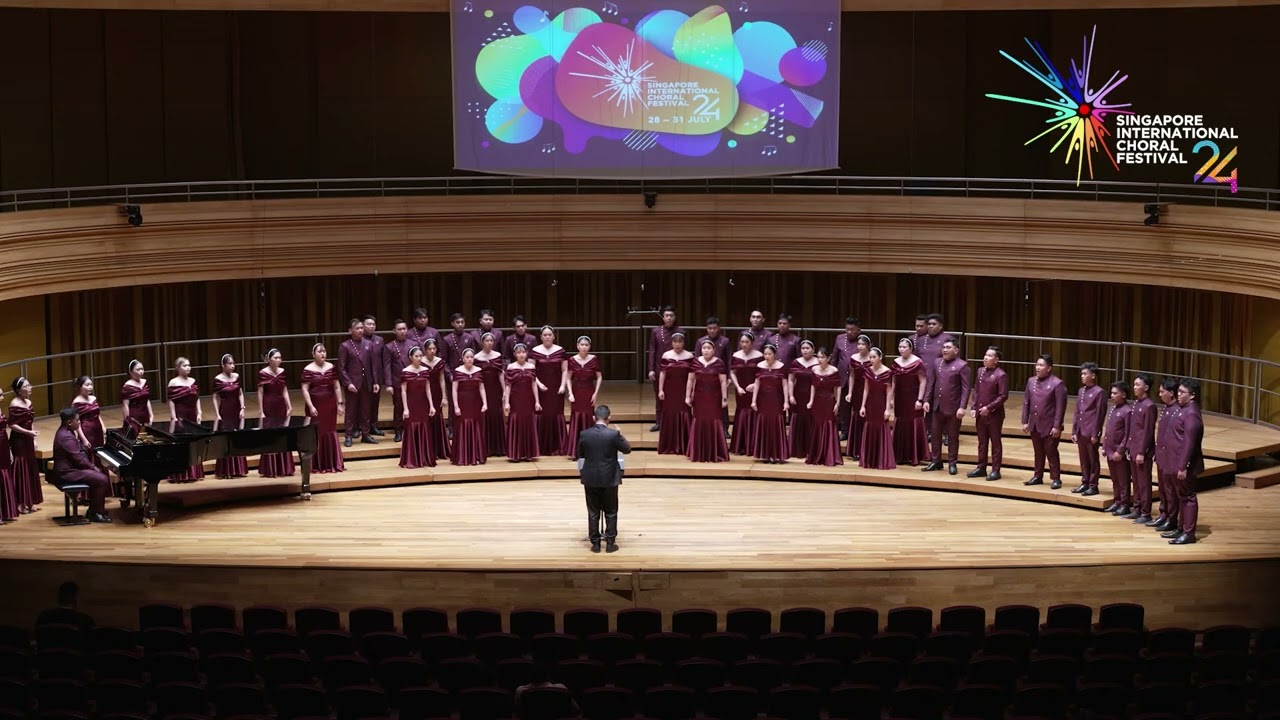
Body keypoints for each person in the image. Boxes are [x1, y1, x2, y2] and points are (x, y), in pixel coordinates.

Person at [577, 405, 632, 553]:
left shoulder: (584, 434)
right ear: (609, 418)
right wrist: (620, 435)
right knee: (611, 510)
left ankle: (595, 544)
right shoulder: (613, 434)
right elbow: (627, 449)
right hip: (609, 478)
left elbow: (580, 454)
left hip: (590, 478)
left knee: (593, 511)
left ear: (594, 418)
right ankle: (610, 543)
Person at [51, 407, 112, 523]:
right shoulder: (66, 437)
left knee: (98, 477)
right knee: (102, 479)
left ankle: (94, 510)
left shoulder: (66, 432)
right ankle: (96, 512)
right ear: (69, 422)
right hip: (66, 473)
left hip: (70, 470)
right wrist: (93, 467)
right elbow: (79, 460)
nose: (79, 422)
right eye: (77, 420)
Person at [1164, 378, 1204, 545]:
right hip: (1176, 463)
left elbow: (1190, 443)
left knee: (1187, 497)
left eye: (1182, 392)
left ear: (1192, 395)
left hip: (1185, 465)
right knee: (1181, 496)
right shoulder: (1183, 409)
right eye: (1178, 391)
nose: (1177, 395)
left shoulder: (1192, 413)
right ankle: (1181, 528)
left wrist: (1183, 466)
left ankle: (1188, 533)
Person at [922, 339, 970, 475]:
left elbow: (966, 389)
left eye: (948, 347)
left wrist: (962, 407)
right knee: (935, 436)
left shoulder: (962, 366)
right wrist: (926, 400)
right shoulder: (937, 362)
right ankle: (936, 461)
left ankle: (952, 463)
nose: (945, 350)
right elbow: (931, 382)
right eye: (943, 347)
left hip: (954, 408)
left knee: (952, 437)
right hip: (937, 406)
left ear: (956, 350)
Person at [1021, 354, 1068, 489]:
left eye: (1041, 365)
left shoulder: (1057, 383)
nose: (1038, 367)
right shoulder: (1031, 381)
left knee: (1051, 451)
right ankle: (1037, 476)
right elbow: (1026, 402)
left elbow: (1060, 407)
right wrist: (1025, 421)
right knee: (1038, 451)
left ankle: (1056, 478)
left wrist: (1057, 426)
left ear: (1049, 368)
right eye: (1037, 365)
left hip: (1050, 425)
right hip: (1035, 422)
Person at [302, 343, 346, 474]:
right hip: (315, 404)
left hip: (330, 404)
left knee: (330, 430)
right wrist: (310, 406)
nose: (322, 354)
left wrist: (339, 403)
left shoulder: (331, 367)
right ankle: (317, 464)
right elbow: (305, 389)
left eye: (324, 351)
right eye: (319, 351)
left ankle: (332, 462)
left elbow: (337, 386)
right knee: (317, 432)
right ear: (313, 354)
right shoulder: (308, 369)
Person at [966, 347, 1008, 481]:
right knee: (982, 442)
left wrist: (989, 408)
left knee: (995, 442)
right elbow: (976, 391)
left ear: (996, 360)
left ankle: (996, 470)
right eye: (985, 355)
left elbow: (1003, 396)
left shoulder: (1001, 375)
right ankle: (981, 467)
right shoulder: (980, 371)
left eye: (989, 356)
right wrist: (973, 406)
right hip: (980, 413)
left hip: (994, 415)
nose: (985, 358)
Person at [686, 339, 729, 463]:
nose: (706, 350)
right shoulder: (695, 362)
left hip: (714, 397)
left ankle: (715, 452)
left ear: (714, 350)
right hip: (699, 398)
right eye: (704, 348)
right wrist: (688, 396)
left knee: (714, 421)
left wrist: (724, 398)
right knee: (699, 421)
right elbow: (690, 380)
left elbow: (723, 381)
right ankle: (698, 452)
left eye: (709, 348)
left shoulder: (719, 363)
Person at [1122, 374, 1157, 521]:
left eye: (1138, 385)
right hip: (1133, 448)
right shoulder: (1136, 404)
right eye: (1134, 384)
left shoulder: (1149, 406)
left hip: (1142, 451)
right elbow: (1132, 429)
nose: (1134, 387)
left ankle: (1145, 512)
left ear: (1146, 387)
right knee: (1135, 482)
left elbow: (1148, 432)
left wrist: (1142, 452)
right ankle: (1136, 508)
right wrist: (1129, 447)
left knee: (1143, 483)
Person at [339, 319, 379, 448]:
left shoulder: (369, 344)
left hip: (366, 382)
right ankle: (349, 435)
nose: (361, 330)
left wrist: (375, 381)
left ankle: (366, 434)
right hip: (353, 384)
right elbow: (341, 367)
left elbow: (373, 365)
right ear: (350, 330)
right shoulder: (345, 346)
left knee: (366, 410)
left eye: (362, 328)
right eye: (357, 328)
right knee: (351, 411)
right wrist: (348, 383)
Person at [1150, 378, 1182, 529]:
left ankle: (1172, 518)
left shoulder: (1177, 410)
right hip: (1161, 455)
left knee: (1170, 490)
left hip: (1171, 458)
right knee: (1162, 488)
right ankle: (1163, 514)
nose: (1160, 394)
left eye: (1163, 391)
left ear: (1171, 393)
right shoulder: (1166, 408)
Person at [891, 338, 929, 466]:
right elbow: (894, 382)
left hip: (913, 396)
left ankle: (915, 456)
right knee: (900, 420)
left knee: (914, 422)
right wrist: (891, 397)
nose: (901, 349)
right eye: (900, 347)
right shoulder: (896, 362)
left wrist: (920, 399)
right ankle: (900, 455)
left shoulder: (917, 362)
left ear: (911, 348)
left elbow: (923, 381)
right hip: (900, 398)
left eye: (904, 347)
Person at [398, 346, 437, 469]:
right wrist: (405, 408)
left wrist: (431, 405)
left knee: (424, 427)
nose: (419, 358)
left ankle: (424, 458)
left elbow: (428, 389)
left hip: (423, 404)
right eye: (416, 356)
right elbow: (403, 391)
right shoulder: (405, 371)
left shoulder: (425, 370)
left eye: (421, 356)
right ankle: (412, 459)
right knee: (411, 427)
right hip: (411, 403)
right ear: (411, 357)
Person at [258, 349, 295, 477]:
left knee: (282, 434)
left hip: (280, 406)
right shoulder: (262, 373)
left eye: (280, 358)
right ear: (269, 359)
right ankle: (271, 468)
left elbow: (284, 389)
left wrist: (289, 405)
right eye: (276, 358)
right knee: (270, 435)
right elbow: (260, 392)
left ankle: (284, 467)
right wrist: (261, 410)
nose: (279, 360)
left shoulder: (283, 372)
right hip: (269, 405)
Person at [504, 344, 544, 462]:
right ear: (515, 354)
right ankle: (515, 453)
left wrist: (537, 401)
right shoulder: (510, 367)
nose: (521, 354)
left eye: (523, 352)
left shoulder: (531, 366)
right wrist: (507, 402)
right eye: (518, 352)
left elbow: (533, 384)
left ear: (526, 354)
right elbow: (508, 385)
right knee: (516, 422)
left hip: (528, 399)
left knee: (528, 423)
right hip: (516, 399)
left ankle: (528, 453)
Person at [532, 326, 568, 457]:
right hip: (541, 389)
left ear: (554, 336)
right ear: (541, 337)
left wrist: (563, 386)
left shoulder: (560, 351)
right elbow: (531, 370)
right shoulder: (535, 351)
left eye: (549, 334)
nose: (547, 337)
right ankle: (540, 446)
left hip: (556, 388)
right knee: (542, 414)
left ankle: (559, 445)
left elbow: (565, 370)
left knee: (556, 414)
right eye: (545, 335)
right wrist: (539, 383)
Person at [1071, 363, 1106, 496]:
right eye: (1082, 374)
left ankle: (1093, 484)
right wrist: (1074, 430)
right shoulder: (1081, 391)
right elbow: (1077, 412)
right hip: (1081, 430)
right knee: (1083, 459)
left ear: (1093, 375)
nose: (1082, 376)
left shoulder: (1099, 392)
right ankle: (1085, 482)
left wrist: (1095, 433)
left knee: (1092, 459)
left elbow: (1099, 414)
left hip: (1091, 431)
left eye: (1085, 374)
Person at [752, 344, 790, 463]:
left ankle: (776, 454)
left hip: (776, 399)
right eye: (765, 354)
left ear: (775, 354)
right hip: (763, 400)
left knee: (776, 425)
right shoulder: (759, 365)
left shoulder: (781, 366)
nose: (767, 356)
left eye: (769, 354)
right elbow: (757, 383)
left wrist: (786, 401)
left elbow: (785, 384)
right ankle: (765, 454)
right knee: (764, 425)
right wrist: (753, 401)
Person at [167, 358, 203, 482]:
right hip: (181, 415)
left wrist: (199, 412)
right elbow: (171, 400)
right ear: (178, 368)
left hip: (192, 414)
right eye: (185, 365)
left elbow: (197, 398)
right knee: (181, 444)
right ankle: (180, 474)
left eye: (189, 365)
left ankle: (193, 473)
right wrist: (173, 416)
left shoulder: (193, 381)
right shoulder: (173, 382)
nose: (188, 367)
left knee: (193, 443)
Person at [657, 334, 694, 455]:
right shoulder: (666, 355)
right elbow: (662, 373)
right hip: (669, 389)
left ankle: (685, 445)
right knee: (669, 412)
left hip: (684, 389)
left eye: (680, 342)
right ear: (672, 343)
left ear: (683, 343)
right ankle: (669, 444)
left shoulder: (689, 356)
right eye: (675, 342)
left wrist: (692, 391)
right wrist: (660, 390)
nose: (677, 344)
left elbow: (692, 376)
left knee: (685, 412)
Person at [859, 348, 896, 470]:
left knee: (881, 429)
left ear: (880, 357)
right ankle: (868, 460)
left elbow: (889, 391)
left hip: (881, 404)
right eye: (870, 357)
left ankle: (881, 460)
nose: (871, 359)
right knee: (869, 428)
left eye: (874, 357)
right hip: (870, 404)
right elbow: (865, 389)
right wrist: (863, 405)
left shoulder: (887, 372)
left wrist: (887, 409)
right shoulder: (867, 371)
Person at [8, 378, 41, 514]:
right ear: (18, 390)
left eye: (29, 385)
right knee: (21, 469)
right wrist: (28, 433)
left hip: (28, 439)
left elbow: (30, 421)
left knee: (30, 467)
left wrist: (33, 439)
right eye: (26, 386)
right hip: (19, 441)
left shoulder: (29, 402)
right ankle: (20, 503)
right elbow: (12, 425)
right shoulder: (14, 404)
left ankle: (30, 501)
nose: (30, 387)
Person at [212, 356, 248, 478]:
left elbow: (240, 393)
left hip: (236, 410)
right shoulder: (217, 379)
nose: (233, 366)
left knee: (237, 437)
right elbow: (215, 397)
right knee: (226, 439)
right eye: (230, 364)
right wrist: (217, 414)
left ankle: (238, 469)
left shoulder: (237, 376)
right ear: (223, 365)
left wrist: (242, 408)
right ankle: (226, 470)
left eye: (233, 363)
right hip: (225, 410)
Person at [566, 336, 602, 460]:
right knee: (576, 418)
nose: (584, 347)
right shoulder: (571, 359)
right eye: (582, 344)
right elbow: (568, 377)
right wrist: (570, 393)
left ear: (589, 347)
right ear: (577, 346)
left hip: (589, 391)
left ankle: (589, 451)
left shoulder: (594, 359)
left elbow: (599, 377)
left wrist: (596, 393)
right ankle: (575, 451)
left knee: (588, 417)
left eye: (586, 345)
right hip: (576, 392)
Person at [805, 348, 843, 466]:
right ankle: (816, 455)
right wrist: (810, 401)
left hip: (829, 400)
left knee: (829, 424)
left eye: (823, 357)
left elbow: (837, 387)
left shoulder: (834, 370)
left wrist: (837, 402)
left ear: (829, 358)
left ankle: (829, 455)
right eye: (819, 357)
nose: (820, 359)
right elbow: (813, 386)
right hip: (817, 400)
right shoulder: (814, 369)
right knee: (817, 424)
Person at [450, 349, 488, 466]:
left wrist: (485, 403)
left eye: (471, 357)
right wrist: (456, 406)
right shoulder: (457, 371)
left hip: (475, 403)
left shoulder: (479, 370)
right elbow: (454, 389)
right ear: (463, 358)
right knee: (462, 426)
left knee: (476, 426)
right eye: (467, 357)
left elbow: (481, 388)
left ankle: (476, 455)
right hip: (462, 403)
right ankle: (462, 456)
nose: (470, 359)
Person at [647, 306, 682, 431]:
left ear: (675, 317)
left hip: (676, 370)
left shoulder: (681, 331)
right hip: (658, 368)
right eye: (666, 315)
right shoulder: (656, 331)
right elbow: (652, 350)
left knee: (676, 396)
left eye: (671, 315)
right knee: (659, 396)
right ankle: (659, 421)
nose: (668, 318)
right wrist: (651, 369)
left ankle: (675, 422)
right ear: (663, 317)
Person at [474, 333, 508, 458]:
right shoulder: (476, 357)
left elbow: (500, 374)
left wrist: (504, 390)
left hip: (495, 390)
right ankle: (485, 448)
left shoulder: (498, 355)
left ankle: (498, 447)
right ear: (482, 342)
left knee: (496, 414)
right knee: (485, 415)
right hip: (483, 389)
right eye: (487, 340)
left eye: (491, 340)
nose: (489, 342)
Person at [1101, 381, 1132, 515]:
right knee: (1115, 479)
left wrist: (1120, 451)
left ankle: (1124, 504)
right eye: (1111, 393)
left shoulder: (1127, 411)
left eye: (1115, 393)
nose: (1112, 395)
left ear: (1123, 395)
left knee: (1123, 479)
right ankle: (1117, 501)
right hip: (1110, 449)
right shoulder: (1112, 408)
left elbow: (1127, 433)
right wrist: (1104, 446)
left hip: (1119, 452)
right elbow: (1108, 429)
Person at [729, 333, 762, 456]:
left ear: (752, 343)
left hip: (754, 389)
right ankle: (740, 445)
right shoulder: (736, 356)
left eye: (746, 342)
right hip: (741, 389)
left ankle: (754, 446)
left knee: (754, 412)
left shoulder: (759, 356)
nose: (744, 344)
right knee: (741, 411)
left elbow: (762, 372)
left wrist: (755, 384)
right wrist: (737, 386)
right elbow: (732, 372)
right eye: (742, 342)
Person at [841, 334, 872, 460]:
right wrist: (849, 392)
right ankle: (857, 450)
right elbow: (852, 376)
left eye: (863, 344)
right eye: (858, 344)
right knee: (857, 418)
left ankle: (868, 449)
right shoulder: (853, 358)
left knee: (867, 419)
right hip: (857, 391)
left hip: (870, 391)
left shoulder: (873, 357)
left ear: (868, 346)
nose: (860, 346)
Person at [832, 319, 863, 442]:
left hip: (858, 379)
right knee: (844, 407)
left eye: (852, 330)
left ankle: (857, 432)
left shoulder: (863, 341)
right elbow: (835, 358)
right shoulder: (839, 338)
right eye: (847, 329)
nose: (849, 332)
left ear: (858, 331)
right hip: (842, 378)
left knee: (857, 407)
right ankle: (845, 431)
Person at [383, 320, 414, 443]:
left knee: (413, 406)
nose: (402, 331)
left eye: (404, 329)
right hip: (397, 382)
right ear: (394, 331)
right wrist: (389, 384)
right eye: (399, 329)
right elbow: (386, 366)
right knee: (398, 407)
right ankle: (398, 431)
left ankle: (410, 429)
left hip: (412, 380)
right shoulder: (389, 346)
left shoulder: (413, 344)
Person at [422, 340, 451, 463]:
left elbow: (441, 379)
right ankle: (428, 449)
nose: (432, 351)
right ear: (425, 350)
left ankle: (439, 448)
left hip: (437, 392)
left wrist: (444, 396)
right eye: (430, 349)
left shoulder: (439, 361)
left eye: (434, 348)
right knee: (427, 416)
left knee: (438, 416)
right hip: (424, 393)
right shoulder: (421, 361)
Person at [361, 315, 387, 437]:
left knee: (374, 403)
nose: (371, 326)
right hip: (362, 376)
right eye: (369, 324)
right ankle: (358, 427)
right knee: (361, 403)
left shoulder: (379, 340)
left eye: (373, 324)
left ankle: (373, 425)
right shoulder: (358, 339)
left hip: (377, 376)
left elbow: (383, 359)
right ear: (362, 325)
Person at [120, 360, 154, 428]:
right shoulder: (127, 386)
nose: (141, 372)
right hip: (134, 418)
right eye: (138, 369)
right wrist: (128, 421)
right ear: (131, 372)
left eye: (142, 369)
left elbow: (146, 399)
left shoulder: (145, 382)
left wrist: (151, 414)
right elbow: (125, 405)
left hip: (145, 415)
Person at [0, 385, 16, 523]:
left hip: (4, 444)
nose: (2, 398)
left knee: (4, 474)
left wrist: (10, 450)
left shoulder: (0, 409)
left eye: (2, 394)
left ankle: (5, 512)